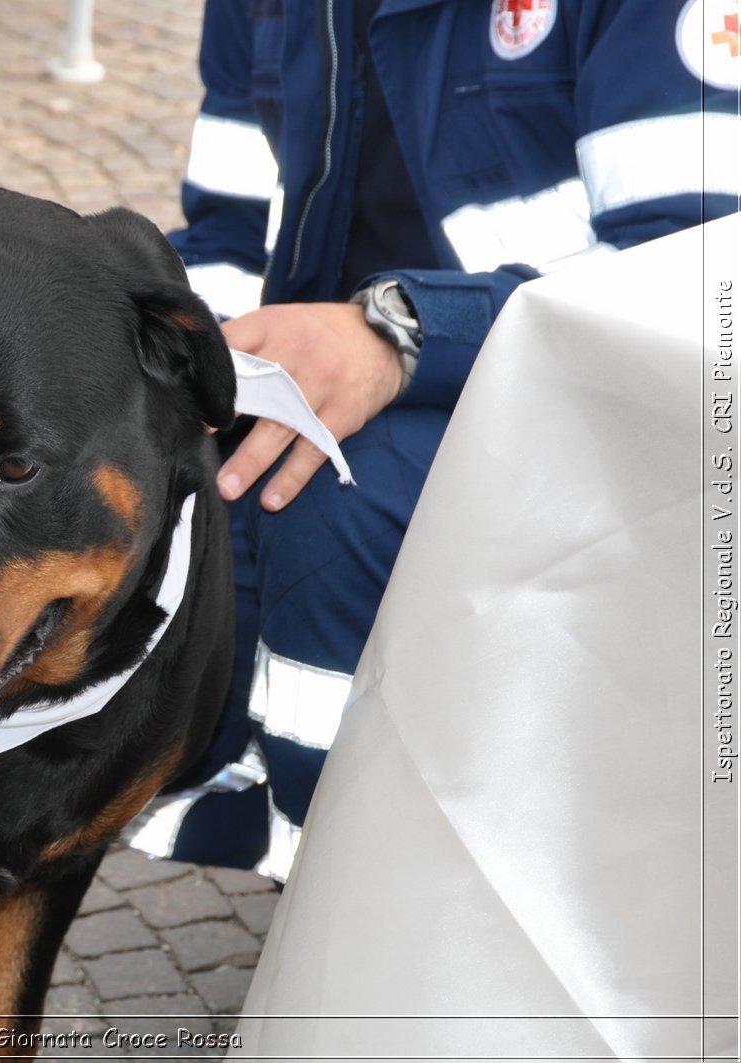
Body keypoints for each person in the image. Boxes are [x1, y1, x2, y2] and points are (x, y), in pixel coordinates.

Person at [125, 0, 740, 882]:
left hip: (618, 419)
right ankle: (305, 851)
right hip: (365, 387)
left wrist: (401, 332)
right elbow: (228, 226)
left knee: (332, 498)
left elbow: (691, 276)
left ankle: (414, 904)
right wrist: (190, 367)